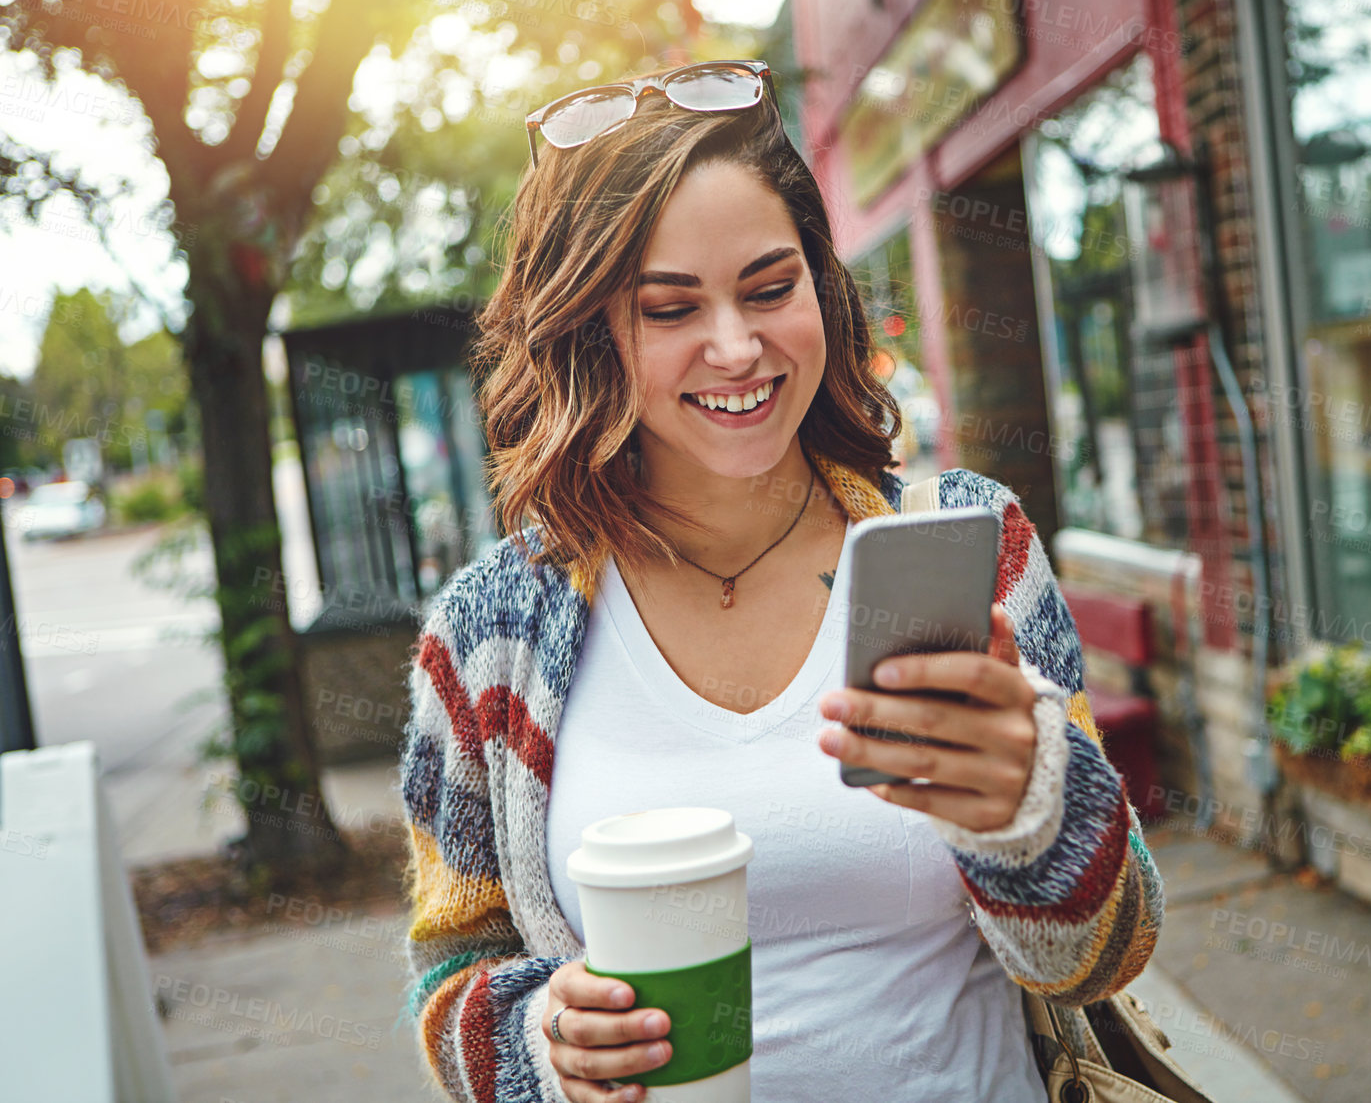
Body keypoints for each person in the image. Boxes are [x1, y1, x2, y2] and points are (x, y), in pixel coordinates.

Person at [397, 58, 1164, 1103]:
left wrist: (1028, 806)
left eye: (770, 287)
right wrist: (540, 1040)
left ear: (820, 283)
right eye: (669, 309)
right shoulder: (491, 633)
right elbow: (452, 969)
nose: (736, 346)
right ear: (588, 333)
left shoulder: (968, 540)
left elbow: (1103, 955)